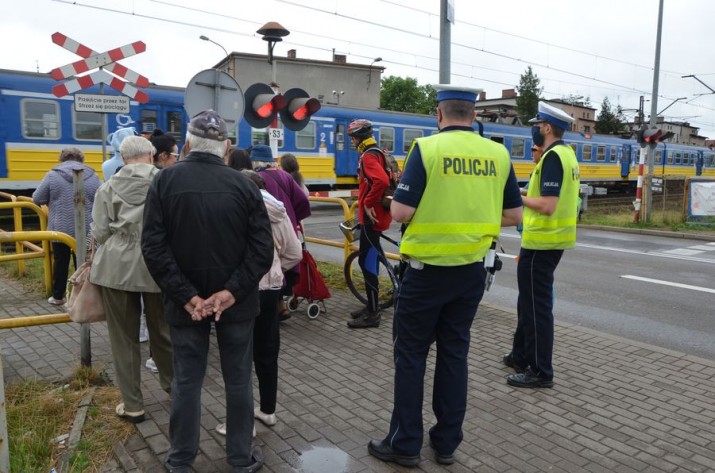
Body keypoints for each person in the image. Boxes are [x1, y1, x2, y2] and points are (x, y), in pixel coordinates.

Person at [367, 85, 523, 467]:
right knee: (454, 355)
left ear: (439, 115)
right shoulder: (498, 154)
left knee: (411, 357)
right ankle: (447, 443)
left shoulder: (427, 149)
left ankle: (405, 444)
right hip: (471, 272)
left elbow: (401, 212)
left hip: (425, 273)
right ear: (473, 116)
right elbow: (514, 216)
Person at [142, 110, 274, 473]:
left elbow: (153, 247)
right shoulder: (246, 186)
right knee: (238, 379)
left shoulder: (164, 183)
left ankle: (181, 460)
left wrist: (187, 295)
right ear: (226, 147)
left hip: (186, 305)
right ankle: (239, 458)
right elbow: (261, 250)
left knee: (186, 380)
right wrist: (231, 292)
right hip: (238, 302)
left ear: (186, 144)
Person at [90, 136, 173, 423]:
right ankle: (175, 390)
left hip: (116, 267)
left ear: (123, 159)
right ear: (151, 156)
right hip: (158, 265)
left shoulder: (108, 187)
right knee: (163, 332)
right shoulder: (167, 183)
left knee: (123, 339)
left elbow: (100, 232)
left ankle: (133, 404)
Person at [216, 170, 302, 436]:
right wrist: (276, 269)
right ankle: (267, 411)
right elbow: (295, 252)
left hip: (242, 289)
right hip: (271, 288)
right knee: (267, 351)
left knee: (239, 354)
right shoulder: (279, 209)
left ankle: (241, 424)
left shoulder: (237, 207)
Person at [504, 101, 580, 389]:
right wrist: (524, 191)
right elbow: (545, 194)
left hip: (543, 243)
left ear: (547, 128)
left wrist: (516, 197)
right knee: (528, 302)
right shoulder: (566, 155)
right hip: (545, 242)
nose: (534, 131)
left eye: (536, 126)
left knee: (536, 308)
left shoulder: (552, 158)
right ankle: (520, 355)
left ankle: (540, 371)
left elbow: (548, 205)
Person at [32, 147, 101, 306]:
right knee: (84, 263)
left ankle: (58, 297)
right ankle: (83, 299)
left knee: (60, 261)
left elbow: (37, 198)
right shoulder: (93, 176)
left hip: (59, 228)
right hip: (86, 228)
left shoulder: (53, 175)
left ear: (62, 158)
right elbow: (101, 198)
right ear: (81, 159)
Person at [250, 144, 311, 321]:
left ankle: (274, 308)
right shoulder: (285, 176)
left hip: (268, 232)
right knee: (287, 266)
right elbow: (302, 202)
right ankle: (282, 304)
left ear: (255, 161)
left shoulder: (256, 178)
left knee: (272, 268)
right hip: (288, 229)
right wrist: (293, 220)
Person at [345, 119, 392, 329]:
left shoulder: (368, 156)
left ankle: (373, 314)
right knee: (371, 260)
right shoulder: (377, 152)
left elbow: (381, 181)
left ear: (357, 137)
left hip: (372, 219)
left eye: (353, 138)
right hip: (377, 217)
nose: (352, 142)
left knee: (368, 264)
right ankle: (372, 305)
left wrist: (368, 203)